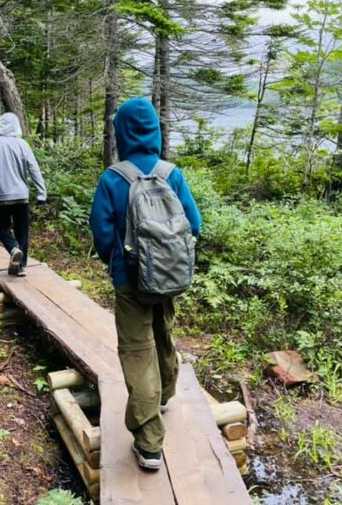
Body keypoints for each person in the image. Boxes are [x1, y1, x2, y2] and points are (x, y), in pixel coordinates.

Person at [89, 97, 201, 471]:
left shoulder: (113, 178)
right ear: (154, 130)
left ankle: (149, 442)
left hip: (130, 280)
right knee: (164, 333)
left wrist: (118, 265)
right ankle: (166, 393)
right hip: (169, 276)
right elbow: (195, 226)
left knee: (138, 350)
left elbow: (102, 233)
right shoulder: (172, 174)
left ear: (121, 132)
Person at [0, 112, 46, 276]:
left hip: (2, 197)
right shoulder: (22, 144)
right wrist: (41, 193)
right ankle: (21, 266)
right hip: (21, 196)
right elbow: (34, 169)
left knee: (2, 228)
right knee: (22, 231)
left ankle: (12, 249)